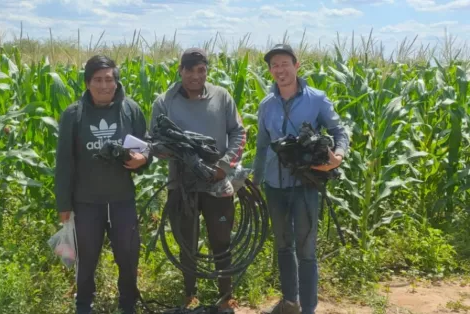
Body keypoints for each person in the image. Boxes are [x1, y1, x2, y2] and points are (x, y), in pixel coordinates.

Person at [252, 44, 349, 314]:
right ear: (270, 71)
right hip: (275, 185)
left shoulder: (316, 99)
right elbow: (261, 146)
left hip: (305, 185)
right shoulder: (266, 105)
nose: (279, 69)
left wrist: (338, 155)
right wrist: (256, 182)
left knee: (306, 250)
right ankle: (290, 302)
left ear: (297, 65)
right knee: (283, 246)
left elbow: (339, 130)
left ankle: (309, 308)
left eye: (284, 63)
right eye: (274, 66)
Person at [149, 48, 246, 311]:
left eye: (201, 70)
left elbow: (239, 133)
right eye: (189, 70)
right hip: (181, 185)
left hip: (217, 183)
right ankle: (189, 295)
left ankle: (226, 296)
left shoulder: (221, 97)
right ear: (180, 70)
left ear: (207, 71)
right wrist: (179, 152)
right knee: (186, 242)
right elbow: (153, 143)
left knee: (222, 240)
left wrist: (223, 167)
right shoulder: (164, 101)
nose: (195, 75)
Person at [54, 55, 152, 314]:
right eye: (97, 80)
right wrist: (63, 203)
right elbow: (64, 161)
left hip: (122, 200)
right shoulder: (74, 115)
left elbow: (146, 146)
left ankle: (127, 305)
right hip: (86, 202)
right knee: (86, 260)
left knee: (129, 256)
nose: (104, 86)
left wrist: (143, 159)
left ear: (116, 82)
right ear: (87, 83)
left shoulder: (131, 110)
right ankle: (84, 305)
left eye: (109, 79)